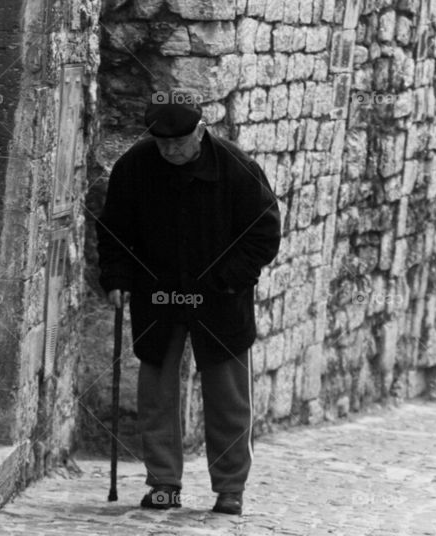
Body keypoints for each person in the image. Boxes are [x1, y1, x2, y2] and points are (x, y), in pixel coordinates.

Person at [96, 98, 281, 515]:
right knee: (156, 391)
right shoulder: (135, 167)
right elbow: (113, 231)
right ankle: (164, 483)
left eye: (178, 144)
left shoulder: (236, 167)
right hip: (157, 293)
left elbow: (264, 233)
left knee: (228, 395)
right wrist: (118, 280)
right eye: (162, 145)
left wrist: (226, 279)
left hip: (220, 298)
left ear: (200, 131)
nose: (171, 152)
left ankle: (230, 487)